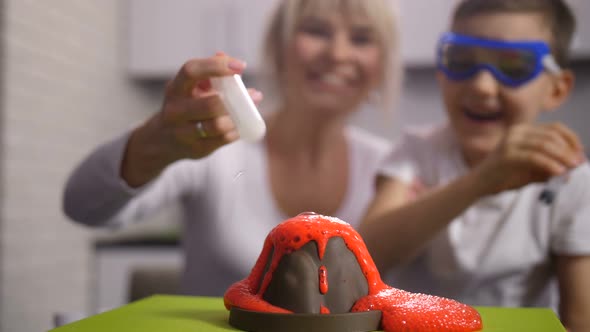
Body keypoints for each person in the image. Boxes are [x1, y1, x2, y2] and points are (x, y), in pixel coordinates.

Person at [63, 0, 402, 297]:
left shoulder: (395, 166)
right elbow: (83, 205)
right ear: (279, 47)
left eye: (361, 38)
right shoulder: (214, 144)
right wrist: (156, 139)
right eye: (316, 31)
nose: (338, 54)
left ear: (381, 64)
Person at [358, 0, 590, 330]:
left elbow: (580, 319)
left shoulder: (568, 177)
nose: (481, 85)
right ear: (442, 71)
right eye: (461, 60)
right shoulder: (417, 151)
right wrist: (481, 180)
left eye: (513, 67)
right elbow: (365, 256)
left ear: (556, 89)